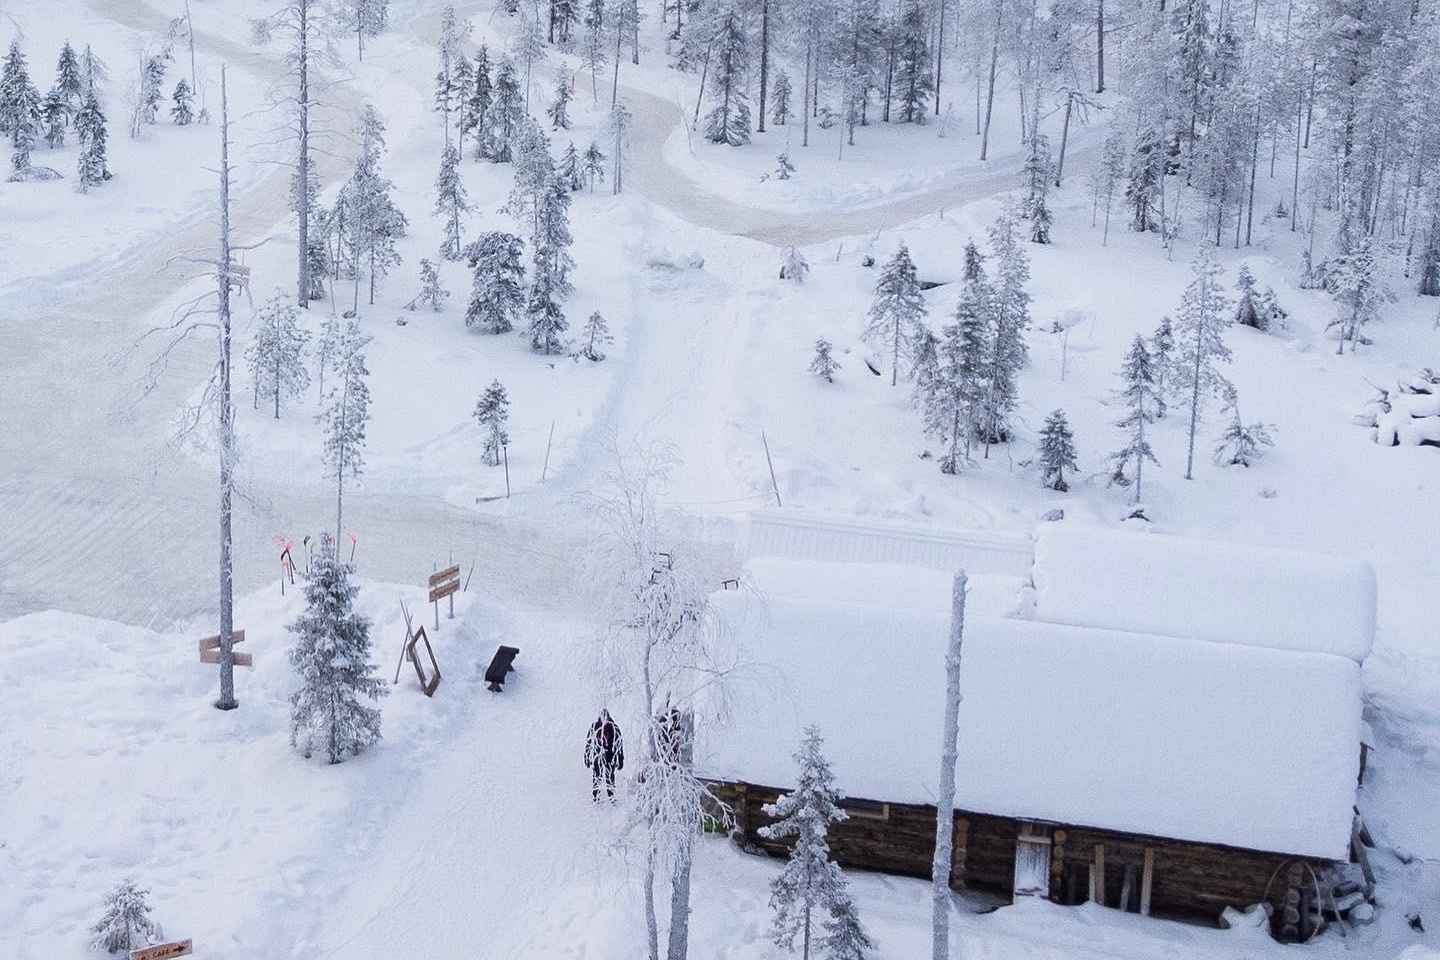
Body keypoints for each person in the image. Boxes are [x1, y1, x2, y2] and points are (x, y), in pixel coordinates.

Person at [585, 709, 624, 801]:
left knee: (608, 776)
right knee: (597, 776)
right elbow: (589, 743)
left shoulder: (613, 727)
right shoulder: (595, 726)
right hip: (599, 756)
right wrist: (586, 757)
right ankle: (597, 796)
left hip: (609, 756)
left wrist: (620, 759)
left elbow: (619, 744)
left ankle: (610, 796)